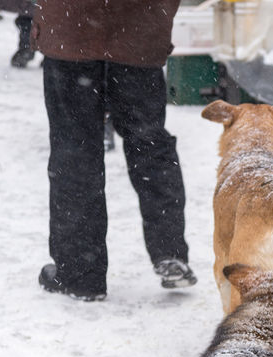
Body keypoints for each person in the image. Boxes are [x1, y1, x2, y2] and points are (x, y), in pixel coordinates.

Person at [34, 0, 196, 301]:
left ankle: (80, 273)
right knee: (149, 145)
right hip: (138, 33)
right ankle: (169, 251)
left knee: (75, 149)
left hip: (72, 31)